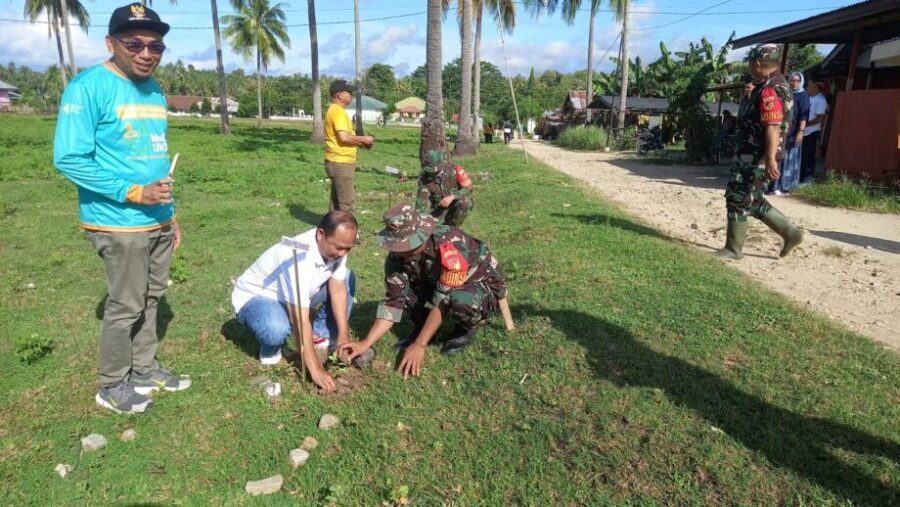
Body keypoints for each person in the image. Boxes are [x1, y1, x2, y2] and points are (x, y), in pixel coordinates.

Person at [53, 3, 189, 414]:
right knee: (126, 305)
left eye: (156, 46)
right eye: (134, 43)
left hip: (158, 219)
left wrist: (171, 213)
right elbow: (69, 158)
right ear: (111, 43)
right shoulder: (88, 87)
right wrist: (134, 192)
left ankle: (144, 370)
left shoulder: (155, 88)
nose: (147, 53)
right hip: (118, 221)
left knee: (151, 299)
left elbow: (155, 158)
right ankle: (112, 384)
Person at [340, 204, 508, 378]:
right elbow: (393, 303)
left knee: (461, 300)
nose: (401, 251)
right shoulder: (396, 258)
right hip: (436, 280)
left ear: (422, 236)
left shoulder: (450, 246)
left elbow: (443, 300)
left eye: (406, 245)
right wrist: (365, 343)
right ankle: (423, 327)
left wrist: (420, 345)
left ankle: (465, 328)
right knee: (405, 293)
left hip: (478, 280)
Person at [231, 211, 366, 393]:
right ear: (320, 234)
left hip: (301, 290)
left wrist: (343, 334)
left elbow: (338, 289)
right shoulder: (297, 257)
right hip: (258, 297)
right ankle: (271, 351)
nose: (343, 253)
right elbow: (300, 321)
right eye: (339, 248)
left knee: (347, 278)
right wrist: (316, 369)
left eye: (348, 248)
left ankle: (322, 337)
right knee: (275, 329)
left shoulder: (339, 243)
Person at [717, 44, 803, 261]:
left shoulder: (770, 89)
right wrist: (748, 97)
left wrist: (771, 159)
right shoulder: (770, 85)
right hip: (755, 152)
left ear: (757, 63)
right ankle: (791, 233)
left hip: (755, 155)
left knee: (738, 196)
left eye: (749, 63)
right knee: (752, 199)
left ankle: (733, 250)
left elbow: (773, 126)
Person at [324, 79, 375, 213]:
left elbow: (344, 137)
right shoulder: (338, 111)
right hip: (341, 163)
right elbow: (344, 137)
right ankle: (350, 232)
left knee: (336, 202)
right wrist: (364, 138)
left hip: (336, 161)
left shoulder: (335, 110)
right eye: (348, 92)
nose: (351, 95)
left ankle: (332, 229)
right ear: (339, 95)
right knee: (347, 202)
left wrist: (361, 143)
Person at [769, 71, 809, 194]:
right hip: (782, 131)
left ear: (801, 82)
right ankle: (773, 186)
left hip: (793, 133)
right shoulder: (786, 93)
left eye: (797, 80)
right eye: (792, 80)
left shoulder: (803, 96)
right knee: (778, 157)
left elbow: (804, 116)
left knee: (789, 159)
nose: (794, 82)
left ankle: (785, 186)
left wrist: (800, 131)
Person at [414, 149, 475, 227]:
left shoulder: (455, 169)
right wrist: (417, 220)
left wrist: (452, 196)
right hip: (439, 209)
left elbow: (469, 188)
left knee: (465, 202)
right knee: (433, 230)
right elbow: (420, 205)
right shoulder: (424, 178)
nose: (432, 173)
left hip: (456, 205)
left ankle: (453, 227)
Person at [801, 81, 827, 184]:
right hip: (804, 132)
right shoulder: (810, 98)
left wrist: (805, 125)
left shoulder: (821, 100)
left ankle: (808, 177)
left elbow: (820, 118)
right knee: (802, 155)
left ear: (815, 87)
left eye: (809, 85)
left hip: (811, 132)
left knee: (809, 155)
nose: (807, 87)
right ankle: (801, 176)